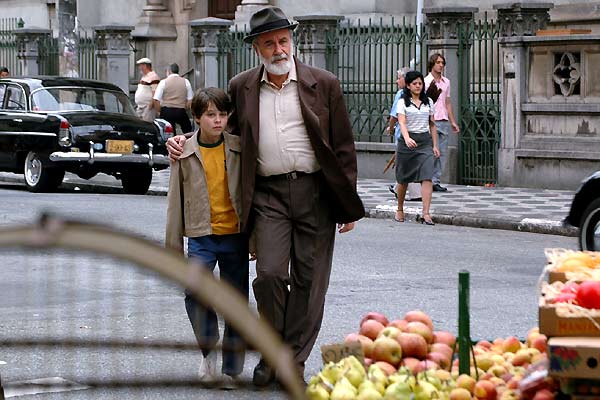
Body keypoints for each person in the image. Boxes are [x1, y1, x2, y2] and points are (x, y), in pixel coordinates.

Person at [166, 6, 364, 385]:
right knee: (270, 275)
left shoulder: (323, 83)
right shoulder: (242, 86)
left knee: (309, 283)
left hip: (316, 193)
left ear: (293, 41)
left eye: (283, 41)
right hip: (268, 194)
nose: (278, 49)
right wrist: (182, 142)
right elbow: (221, 136)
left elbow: (343, 146)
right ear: (257, 48)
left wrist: (346, 201)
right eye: (269, 43)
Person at [165, 87, 248, 390]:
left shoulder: (239, 148)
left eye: (223, 114)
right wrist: (173, 246)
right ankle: (208, 351)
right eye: (210, 115)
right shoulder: (183, 151)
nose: (217, 120)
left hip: (235, 235)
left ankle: (232, 368)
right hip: (201, 235)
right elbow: (175, 201)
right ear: (197, 118)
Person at [394, 70, 440, 225]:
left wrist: (435, 145)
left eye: (420, 83)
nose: (418, 86)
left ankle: (426, 213)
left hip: (424, 142)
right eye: (415, 83)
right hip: (407, 143)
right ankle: (399, 208)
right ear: (408, 85)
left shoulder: (428, 102)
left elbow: (432, 125)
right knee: (403, 178)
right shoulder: (402, 101)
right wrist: (407, 138)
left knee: (427, 176)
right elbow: (402, 122)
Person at [424, 53, 460, 192]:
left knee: (442, 153)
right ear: (432, 64)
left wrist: (453, 121)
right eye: (438, 62)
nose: (440, 65)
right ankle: (426, 179)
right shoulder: (426, 81)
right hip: (431, 120)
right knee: (430, 151)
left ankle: (435, 180)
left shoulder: (446, 82)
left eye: (442, 63)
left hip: (443, 119)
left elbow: (448, 102)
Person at [387, 67, 422, 211]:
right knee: (409, 162)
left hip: (406, 133)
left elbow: (394, 115)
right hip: (411, 133)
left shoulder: (401, 94)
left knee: (408, 163)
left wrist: (390, 127)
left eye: (398, 78)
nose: (396, 81)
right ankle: (407, 190)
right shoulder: (405, 94)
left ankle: (408, 191)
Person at [153, 63, 194, 134]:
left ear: (169, 71)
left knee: (169, 133)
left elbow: (156, 99)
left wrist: (160, 110)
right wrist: (184, 107)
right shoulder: (186, 81)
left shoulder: (163, 82)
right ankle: (188, 142)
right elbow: (190, 99)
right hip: (180, 111)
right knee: (187, 129)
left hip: (166, 111)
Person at [134, 58, 160, 122]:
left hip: (147, 107)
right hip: (140, 107)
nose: (139, 67)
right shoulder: (144, 76)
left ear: (145, 66)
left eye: (140, 65)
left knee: (147, 124)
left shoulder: (153, 77)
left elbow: (155, 93)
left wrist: (149, 107)